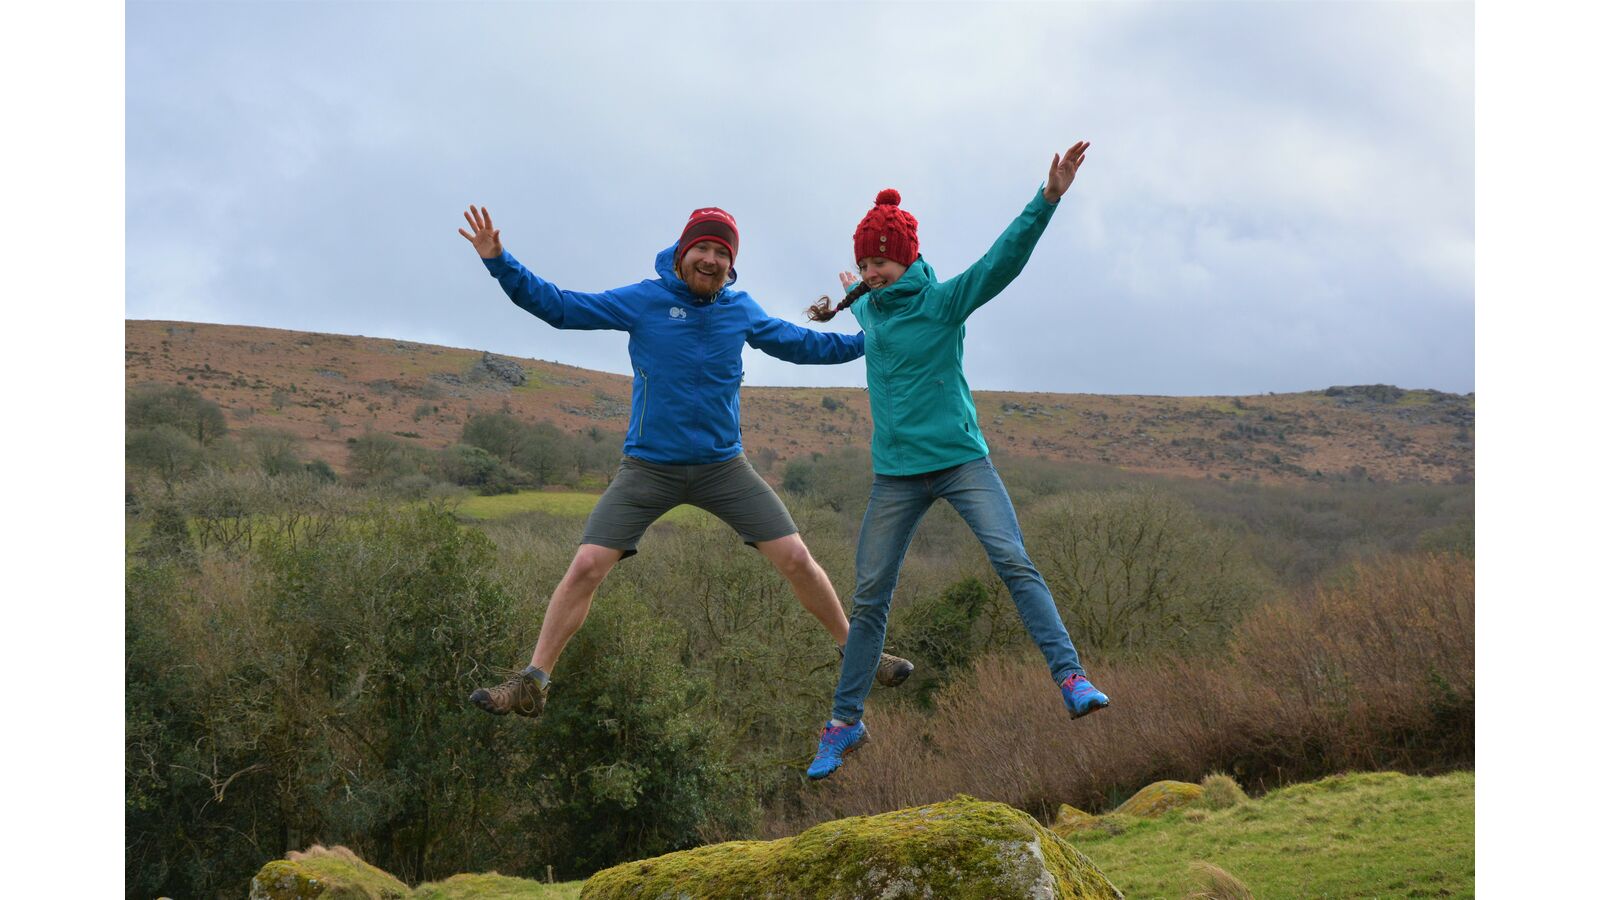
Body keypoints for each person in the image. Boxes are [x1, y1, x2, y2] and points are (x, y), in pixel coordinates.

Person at [457, 203, 914, 719]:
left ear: (731, 264)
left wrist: (872, 339)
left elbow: (804, 345)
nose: (711, 259)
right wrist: (499, 261)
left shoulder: (740, 309)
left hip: (724, 469)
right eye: (703, 248)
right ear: (681, 253)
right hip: (648, 469)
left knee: (796, 558)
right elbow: (560, 307)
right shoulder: (644, 300)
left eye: (722, 252)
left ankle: (861, 656)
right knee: (586, 565)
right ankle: (533, 682)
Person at [802, 143, 1109, 780]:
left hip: (961, 462)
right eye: (866, 263)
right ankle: (845, 722)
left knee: (1012, 560)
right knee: (870, 596)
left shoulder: (943, 302)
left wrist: (1047, 199)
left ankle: (1071, 677)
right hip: (895, 476)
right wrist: (845, 298)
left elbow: (1002, 261)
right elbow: (861, 303)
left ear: (907, 259)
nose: (872, 272)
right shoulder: (871, 306)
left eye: (881, 261)